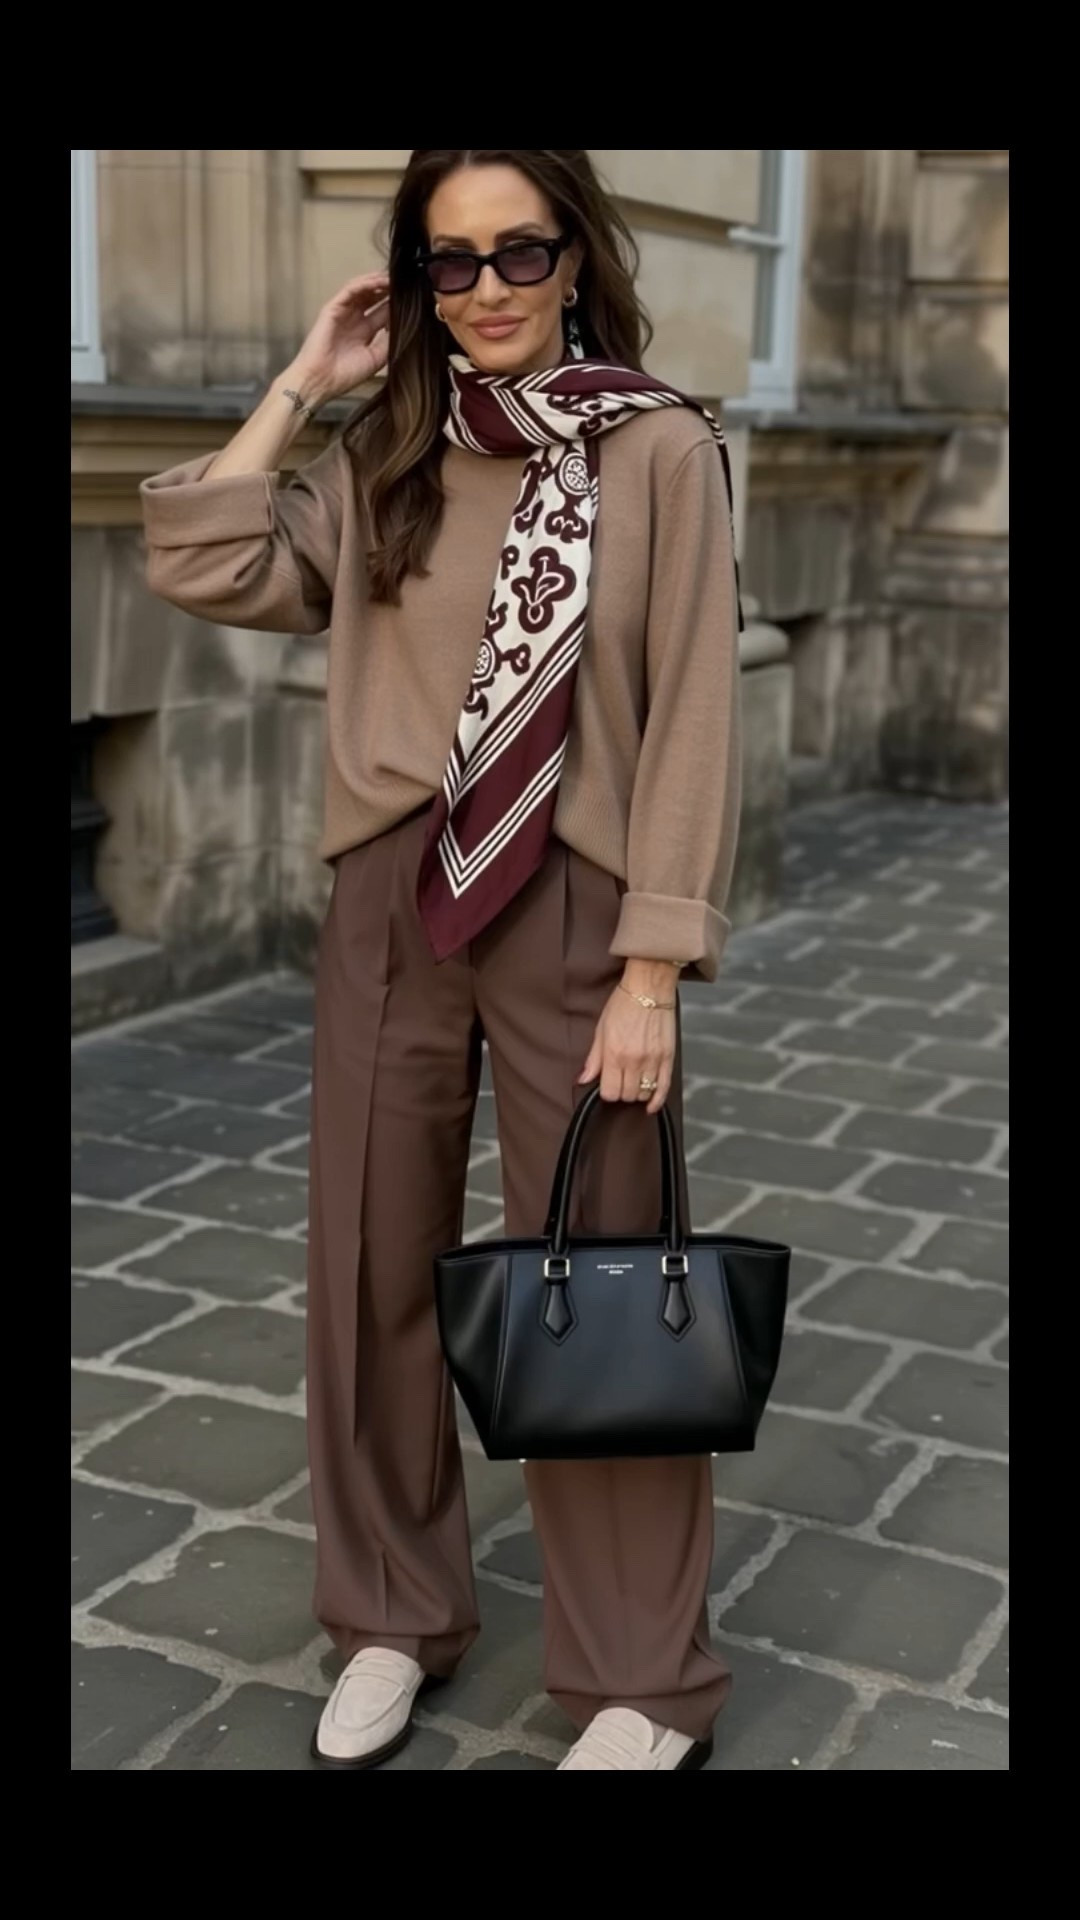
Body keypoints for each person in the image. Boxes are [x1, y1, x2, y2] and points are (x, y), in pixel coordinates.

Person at [142, 148, 742, 1773]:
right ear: (414, 275)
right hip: (392, 896)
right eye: (447, 260)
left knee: (605, 1275)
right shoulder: (390, 446)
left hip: (580, 894)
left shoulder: (662, 447)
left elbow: (693, 708)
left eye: (516, 253)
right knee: (372, 1268)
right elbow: (204, 560)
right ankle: (393, 1619)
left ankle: (637, 1675)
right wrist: (301, 380)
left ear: (573, 258)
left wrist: (654, 968)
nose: (484, 290)